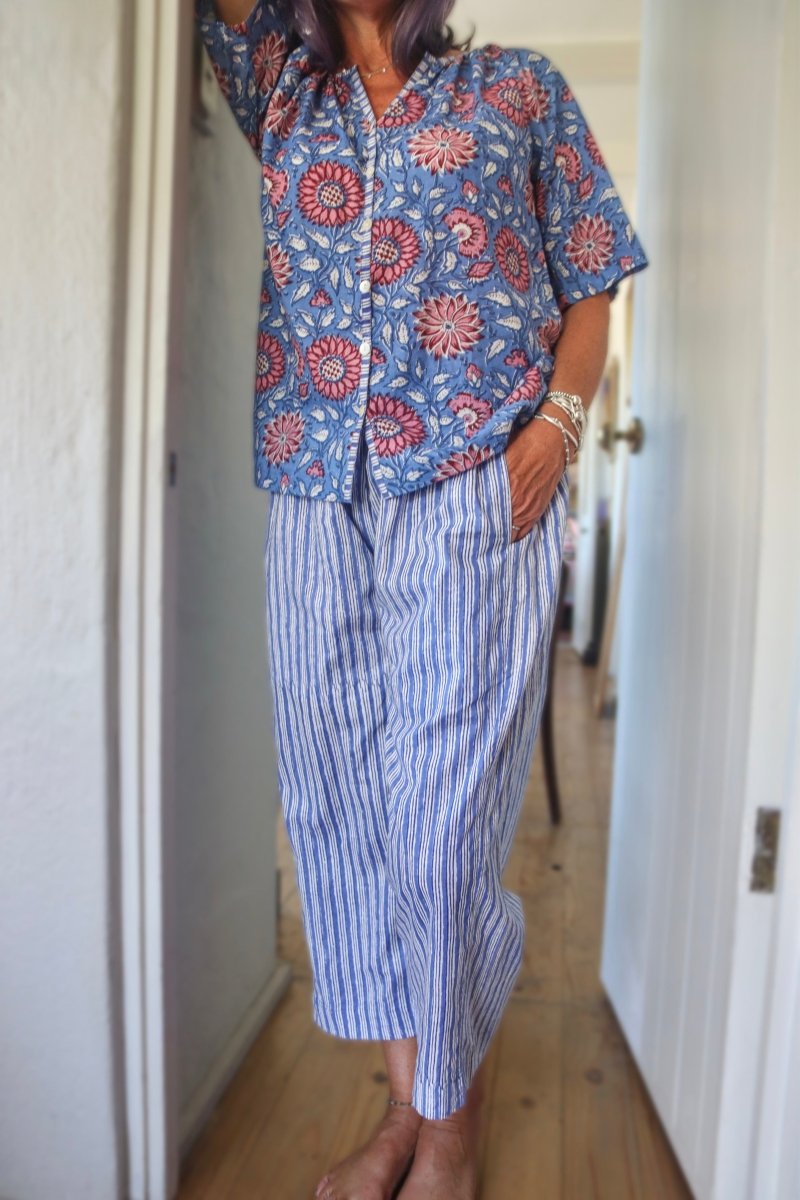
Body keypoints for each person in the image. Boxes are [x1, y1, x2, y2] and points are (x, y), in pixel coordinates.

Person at [194, 1, 648, 1196]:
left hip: (468, 478)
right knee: (343, 817)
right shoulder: (283, 95)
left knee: (439, 834)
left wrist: (559, 424)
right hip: (313, 488)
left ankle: (449, 1129)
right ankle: (407, 1106)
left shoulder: (514, 89)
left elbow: (591, 273)